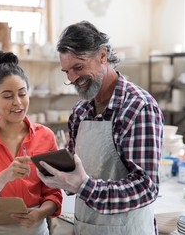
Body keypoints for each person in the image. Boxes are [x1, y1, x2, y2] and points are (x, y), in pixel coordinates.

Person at [36, 21, 164, 235]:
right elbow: (76, 171)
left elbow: (146, 188)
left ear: (103, 56)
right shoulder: (80, 111)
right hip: (86, 226)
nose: (73, 79)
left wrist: (83, 186)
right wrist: (57, 174)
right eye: (67, 71)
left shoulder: (139, 107)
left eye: (78, 67)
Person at [0, 51, 62, 235]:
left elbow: (53, 193)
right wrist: (6, 175)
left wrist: (40, 213)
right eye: (7, 96)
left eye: (22, 94)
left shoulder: (45, 136)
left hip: (35, 228)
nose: (18, 102)